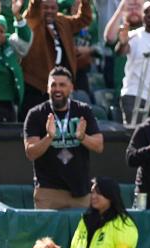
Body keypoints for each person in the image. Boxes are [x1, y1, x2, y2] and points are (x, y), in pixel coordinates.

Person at [23, 66, 103, 210]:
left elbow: (99, 146)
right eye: (53, 85)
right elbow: (30, 153)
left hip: (80, 192)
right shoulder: (36, 114)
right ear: (47, 88)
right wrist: (49, 137)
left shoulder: (83, 110)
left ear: (71, 88)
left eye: (62, 85)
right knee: (47, 233)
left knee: (82, 233)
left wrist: (83, 137)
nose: (57, 89)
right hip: (48, 191)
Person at [19, 0, 92, 121]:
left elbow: (84, 19)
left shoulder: (62, 21)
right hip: (36, 86)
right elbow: (34, 8)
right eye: (45, 8)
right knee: (35, 126)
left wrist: (84, 2)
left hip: (59, 85)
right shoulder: (33, 20)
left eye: (53, 8)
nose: (49, 11)